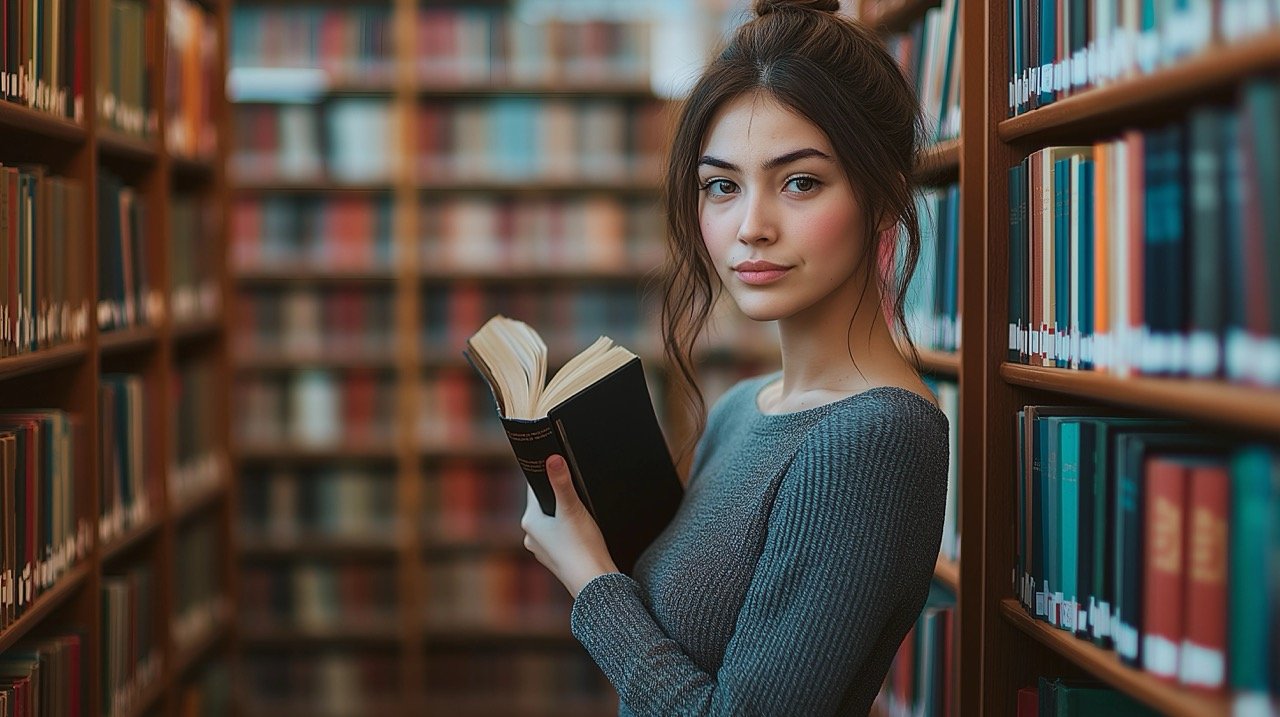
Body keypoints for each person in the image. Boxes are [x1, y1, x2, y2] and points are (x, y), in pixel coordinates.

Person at [519, 0, 950, 714]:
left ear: (883, 195)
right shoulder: (739, 408)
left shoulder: (878, 437)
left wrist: (591, 579)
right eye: (722, 185)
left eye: (800, 181)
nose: (751, 227)